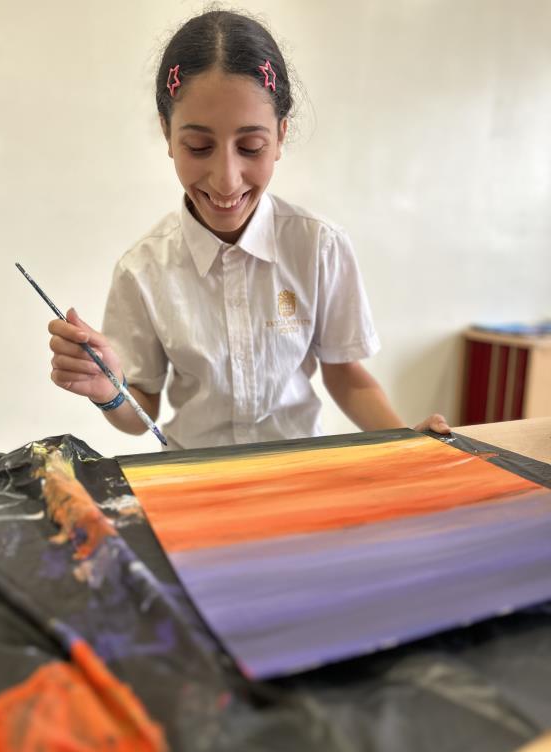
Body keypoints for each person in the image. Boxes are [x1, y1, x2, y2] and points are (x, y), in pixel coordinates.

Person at [48, 9, 450, 450]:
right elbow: (140, 413)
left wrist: (406, 443)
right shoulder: (142, 269)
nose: (226, 179)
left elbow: (346, 375)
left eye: (251, 147)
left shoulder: (318, 247)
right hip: (196, 476)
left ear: (280, 136)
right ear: (167, 133)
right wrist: (109, 389)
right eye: (198, 146)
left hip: (299, 470)